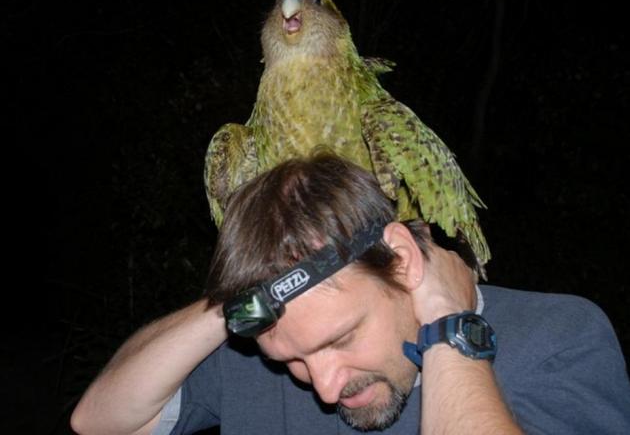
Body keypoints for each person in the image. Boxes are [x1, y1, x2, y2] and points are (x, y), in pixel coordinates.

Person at [71, 153, 630, 435]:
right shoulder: (264, 351)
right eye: (291, 359)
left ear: (404, 259)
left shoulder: (560, 338)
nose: (325, 385)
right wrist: (233, 300)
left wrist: (447, 325)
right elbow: (97, 422)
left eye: (341, 337)